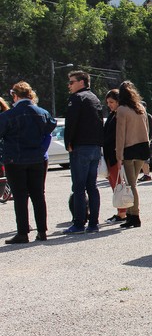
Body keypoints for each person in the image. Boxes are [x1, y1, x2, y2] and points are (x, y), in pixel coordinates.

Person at [0, 82, 57, 243]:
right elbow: (50, 129)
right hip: (37, 159)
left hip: (15, 159)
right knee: (38, 195)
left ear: (15, 95)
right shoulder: (42, 113)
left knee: (20, 196)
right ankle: (42, 231)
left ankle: (23, 233)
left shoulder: (8, 115)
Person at [63, 70, 104, 234]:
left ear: (82, 82)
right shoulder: (94, 98)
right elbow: (100, 123)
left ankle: (79, 223)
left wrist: (68, 143)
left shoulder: (77, 98)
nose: (69, 85)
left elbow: (71, 123)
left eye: (72, 82)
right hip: (94, 147)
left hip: (81, 147)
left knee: (79, 188)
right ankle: (93, 223)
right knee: (92, 187)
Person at [115, 81, 150, 229]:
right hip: (142, 147)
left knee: (131, 185)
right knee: (132, 183)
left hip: (129, 149)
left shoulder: (122, 110)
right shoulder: (140, 108)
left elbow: (120, 135)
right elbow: (148, 128)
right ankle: (130, 214)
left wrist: (119, 155)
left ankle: (135, 215)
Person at [103, 89, 127, 223]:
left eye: (111, 102)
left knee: (118, 185)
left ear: (119, 101)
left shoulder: (119, 115)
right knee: (114, 184)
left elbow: (118, 137)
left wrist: (120, 157)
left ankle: (122, 213)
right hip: (109, 155)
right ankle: (121, 211)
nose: (109, 105)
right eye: (108, 102)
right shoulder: (113, 114)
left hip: (115, 155)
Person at [138, 101, 152, 182]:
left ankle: (147, 174)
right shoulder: (140, 116)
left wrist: (148, 139)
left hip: (146, 140)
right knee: (141, 158)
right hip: (140, 140)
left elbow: (151, 129)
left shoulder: (148, 116)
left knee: (145, 159)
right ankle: (145, 174)